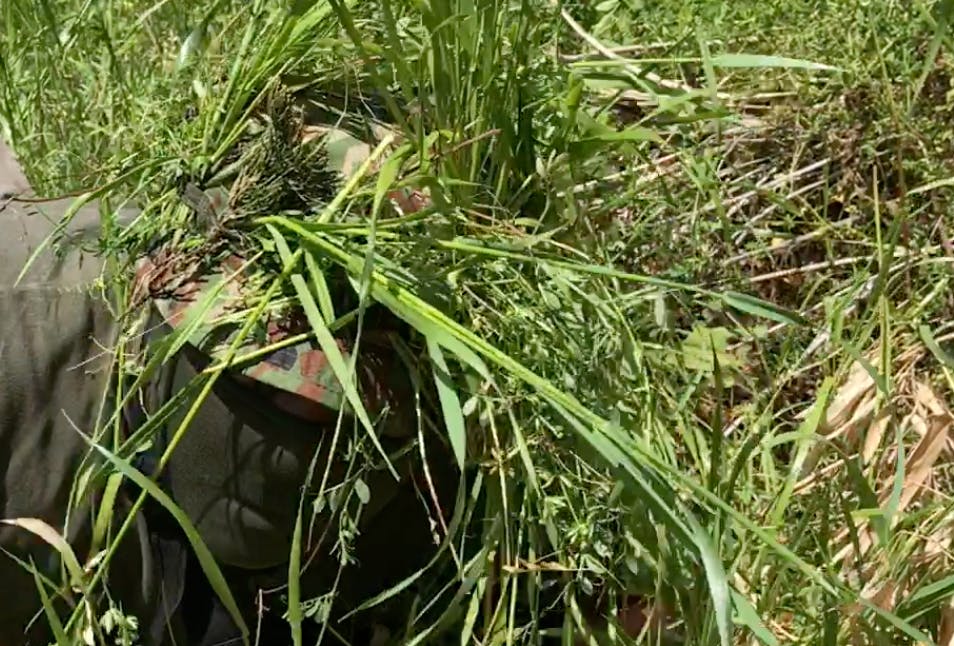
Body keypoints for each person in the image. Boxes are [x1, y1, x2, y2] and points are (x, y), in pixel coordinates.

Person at [0, 121, 457, 646]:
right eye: (260, 381)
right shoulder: (26, 362)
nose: (289, 443)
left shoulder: (438, 472)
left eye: (346, 413)